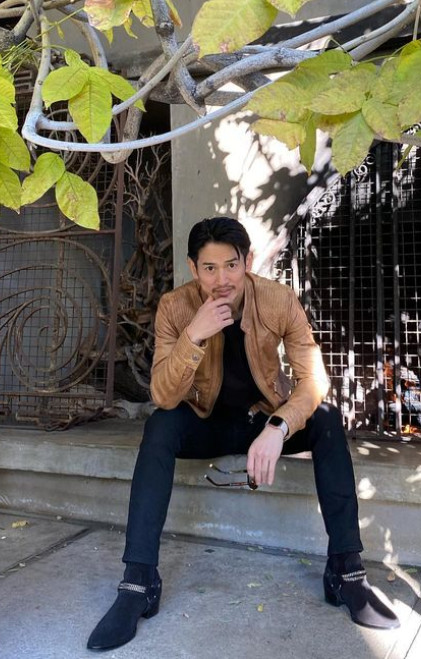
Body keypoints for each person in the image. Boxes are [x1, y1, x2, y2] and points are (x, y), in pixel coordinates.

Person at [87, 217, 399, 651]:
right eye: (209, 268)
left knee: (327, 418)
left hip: (263, 421)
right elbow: (162, 394)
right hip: (206, 423)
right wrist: (194, 335)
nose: (222, 280)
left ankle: (346, 572)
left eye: (231, 265)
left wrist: (280, 426)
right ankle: (138, 583)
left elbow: (314, 380)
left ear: (248, 261)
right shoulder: (175, 307)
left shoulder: (277, 299)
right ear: (193, 268)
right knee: (159, 426)